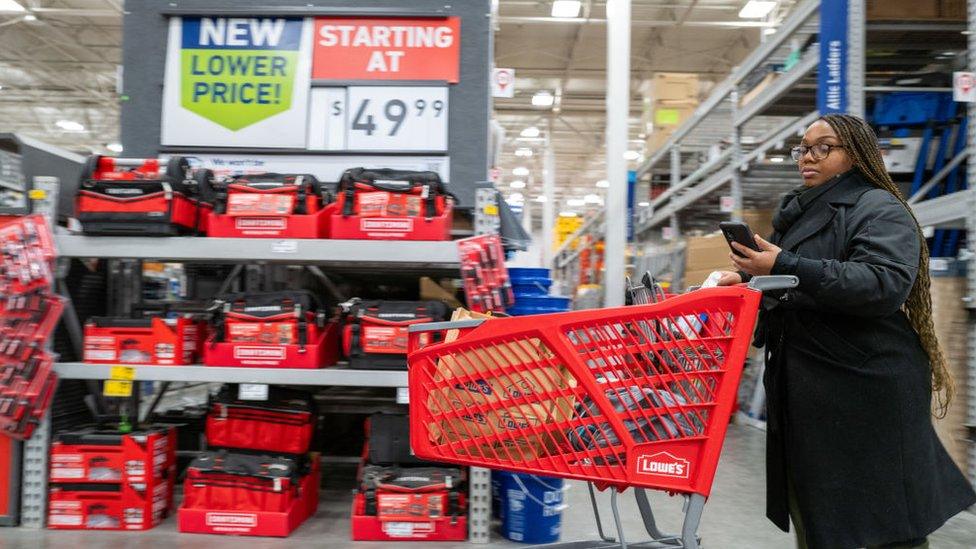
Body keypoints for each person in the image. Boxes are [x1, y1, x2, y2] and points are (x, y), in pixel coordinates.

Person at [715, 114, 976, 549]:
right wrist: (748, 281)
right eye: (803, 148)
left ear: (855, 154)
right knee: (822, 519)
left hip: (862, 387)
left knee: (882, 523)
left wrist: (782, 264)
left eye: (824, 147)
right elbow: (807, 284)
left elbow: (881, 285)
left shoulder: (880, 208)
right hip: (814, 384)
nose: (808, 158)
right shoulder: (801, 212)